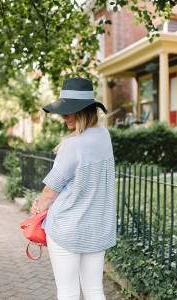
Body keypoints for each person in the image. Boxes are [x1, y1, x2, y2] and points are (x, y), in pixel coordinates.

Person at [31, 77, 117, 300]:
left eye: (69, 110)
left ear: (84, 110)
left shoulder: (72, 145)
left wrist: (37, 208)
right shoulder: (104, 136)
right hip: (97, 228)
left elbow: (50, 192)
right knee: (94, 290)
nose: (64, 115)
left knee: (68, 293)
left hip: (67, 229)